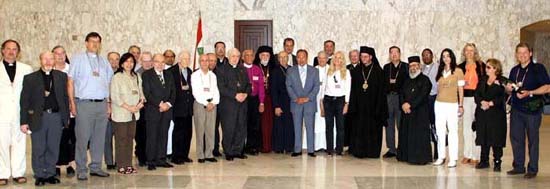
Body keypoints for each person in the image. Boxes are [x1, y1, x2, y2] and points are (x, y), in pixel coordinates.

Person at [68, 32, 113, 180]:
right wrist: (72, 103)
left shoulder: (104, 62)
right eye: (92, 41)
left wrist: (109, 104)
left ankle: (96, 166)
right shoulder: (78, 59)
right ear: (86, 43)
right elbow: (71, 82)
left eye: (98, 42)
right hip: (84, 104)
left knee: (99, 138)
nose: (95, 44)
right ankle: (81, 168)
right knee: (82, 137)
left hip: (101, 104)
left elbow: (108, 84)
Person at [20, 52, 68, 186]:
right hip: (37, 117)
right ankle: (40, 175)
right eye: (45, 59)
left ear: (54, 60)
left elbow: (64, 98)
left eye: (51, 59)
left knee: (53, 147)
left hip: (56, 117)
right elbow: (24, 101)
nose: (48, 61)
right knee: (38, 148)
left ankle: (51, 173)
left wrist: (65, 118)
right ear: (40, 60)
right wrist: (24, 121)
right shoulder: (30, 78)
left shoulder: (61, 76)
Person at [506, 43, 550, 179]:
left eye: (525, 53)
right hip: (517, 109)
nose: (522, 55)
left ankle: (532, 169)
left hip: (533, 110)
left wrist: (530, 92)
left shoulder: (538, 68)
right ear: (516, 55)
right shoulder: (514, 70)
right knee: (516, 138)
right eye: (519, 53)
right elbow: (510, 89)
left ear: (530, 53)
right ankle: (519, 166)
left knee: (533, 140)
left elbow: (547, 87)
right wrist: (508, 88)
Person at [348, 46, 387, 158]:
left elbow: (381, 92)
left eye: (365, 57)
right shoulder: (356, 71)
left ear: (371, 57)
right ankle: (359, 151)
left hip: (373, 108)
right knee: (359, 128)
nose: (363, 58)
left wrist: (379, 107)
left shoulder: (378, 71)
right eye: (362, 56)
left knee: (373, 130)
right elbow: (353, 90)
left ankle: (372, 152)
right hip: (359, 108)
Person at [110, 53, 144, 174]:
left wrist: (140, 104)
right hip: (121, 113)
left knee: (130, 139)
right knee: (121, 139)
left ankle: (129, 164)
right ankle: (121, 165)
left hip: (134, 113)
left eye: (131, 62)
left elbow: (141, 93)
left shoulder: (137, 76)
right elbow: (115, 97)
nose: (129, 64)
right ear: (122, 63)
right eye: (127, 61)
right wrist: (129, 107)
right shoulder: (117, 77)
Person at [396, 56, 432, 165]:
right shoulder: (406, 80)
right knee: (406, 134)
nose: (413, 68)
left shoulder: (425, 80)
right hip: (407, 113)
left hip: (419, 113)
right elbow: (401, 93)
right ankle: (405, 156)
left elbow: (422, 95)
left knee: (418, 136)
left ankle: (419, 158)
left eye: (415, 65)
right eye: (411, 66)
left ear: (420, 66)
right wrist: (403, 104)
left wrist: (410, 105)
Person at [142, 54, 176, 170]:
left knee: (163, 135)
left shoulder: (168, 74)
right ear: (153, 62)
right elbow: (147, 93)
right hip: (153, 110)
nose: (160, 64)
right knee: (152, 136)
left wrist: (168, 104)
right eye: (157, 61)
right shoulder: (147, 75)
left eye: (162, 62)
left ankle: (161, 159)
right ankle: (151, 161)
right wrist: (159, 104)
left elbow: (173, 92)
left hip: (167, 111)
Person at [217, 48, 251, 161]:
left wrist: (246, 94)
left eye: (237, 56)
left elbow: (248, 85)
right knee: (229, 128)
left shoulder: (243, 69)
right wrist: (235, 95)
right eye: (233, 56)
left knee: (241, 127)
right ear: (228, 56)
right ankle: (229, 151)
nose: (235, 58)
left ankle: (238, 150)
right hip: (228, 105)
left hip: (242, 104)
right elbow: (221, 87)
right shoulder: (221, 70)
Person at [432, 49, 464, 168]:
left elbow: (461, 90)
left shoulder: (458, 71)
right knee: (439, 131)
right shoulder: (440, 71)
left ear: (452, 57)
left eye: (448, 56)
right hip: (439, 104)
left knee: (452, 131)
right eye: (443, 56)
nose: (446, 58)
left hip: (452, 104)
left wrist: (461, 105)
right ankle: (441, 156)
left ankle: (453, 158)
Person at [473, 58, 507, 172]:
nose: (486, 69)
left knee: (496, 138)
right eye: (486, 67)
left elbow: (503, 96)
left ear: (495, 69)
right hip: (482, 113)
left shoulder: (502, 81)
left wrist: (491, 103)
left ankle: (497, 162)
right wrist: (481, 101)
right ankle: (484, 160)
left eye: (488, 67)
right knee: (483, 136)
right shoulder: (482, 79)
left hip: (496, 114)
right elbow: (476, 94)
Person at [286, 49, 320, 157]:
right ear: (296, 58)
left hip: (309, 103)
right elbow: (288, 86)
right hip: (296, 103)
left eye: (303, 57)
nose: (301, 59)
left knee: (310, 127)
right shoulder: (290, 70)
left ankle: (311, 150)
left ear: (307, 57)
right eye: (299, 57)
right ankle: (297, 150)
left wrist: (308, 98)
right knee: (297, 127)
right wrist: (296, 98)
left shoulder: (314, 70)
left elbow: (316, 86)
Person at [458, 43, 485, 166]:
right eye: (467, 50)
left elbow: (484, 82)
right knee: (466, 127)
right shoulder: (460, 67)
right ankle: (467, 154)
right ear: (464, 52)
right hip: (465, 98)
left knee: (476, 127)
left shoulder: (481, 66)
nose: (469, 53)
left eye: (471, 50)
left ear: (475, 52)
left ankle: (476, 155)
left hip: (477, 98)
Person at [320, 51, 351, 156]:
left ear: (343, 60)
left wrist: (346, 103)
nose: (337, 60)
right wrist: (322, 103)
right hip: (328, 100)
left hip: (340, 101)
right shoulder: (328, 71)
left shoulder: (346, 72)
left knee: (340, 126)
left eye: (340, 58)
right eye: (336, 57)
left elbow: (348, 89)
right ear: (333, 59)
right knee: (329, 126)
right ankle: (329, 149)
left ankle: (339, 149)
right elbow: (323, 88)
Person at [51, 45, 76, 177]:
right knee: (56, 138)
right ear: (53, 55)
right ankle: (55, 164)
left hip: (71, 110)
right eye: (57, 53)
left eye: (63, 53)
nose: (60, 56)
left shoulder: (71, 69)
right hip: (55, 111)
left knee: (70, 138)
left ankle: (70, 164)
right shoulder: (49, 70)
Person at [191, 54, 220, 163]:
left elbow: (216, 91)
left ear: (209, 62)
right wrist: (205, 103)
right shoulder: (195, 75)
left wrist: (213, 103)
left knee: (210, 130)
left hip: (212, 104)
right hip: (200, 104)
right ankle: (200, 155)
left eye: (207, 60)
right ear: (199, 62)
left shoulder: (213, 75)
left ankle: (209, 153)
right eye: (202, 60)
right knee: (200, 130)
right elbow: (196, 92)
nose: (204, 62)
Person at [168, 51, 194, 164]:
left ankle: (184, 155)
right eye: (184, 59)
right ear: (179, 59)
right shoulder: (171, 71)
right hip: (177, 107)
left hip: (188, 107)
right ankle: (176, 156)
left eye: (188, 59)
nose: (187, 61)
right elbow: (170, 90)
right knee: (178, 133)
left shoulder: (189, 71)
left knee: (188, 132)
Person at [383, 46, 408, 158]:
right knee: (389, 124)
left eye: (396, 52)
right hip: (388, 98)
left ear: (400, 54)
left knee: (401, 124)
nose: (394, 55)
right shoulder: (386, 67)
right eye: (391, 53)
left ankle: (402, 148)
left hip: (400, 98)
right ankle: (391, 149)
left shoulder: (406, 67)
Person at [270, 51, 294, 153]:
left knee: (290, 125)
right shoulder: (275, 71)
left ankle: (289, 147)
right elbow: (273, 90)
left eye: (285, 57)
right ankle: (279, 147)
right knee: (279, 125)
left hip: (291, 101)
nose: (283, 59)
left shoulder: (292, 70)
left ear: (288, 58)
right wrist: (276, 106)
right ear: (278, 59)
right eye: (281, 57)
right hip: (279, 101)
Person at [254, 46, 276, 153]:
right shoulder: (255, 67)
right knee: (259, 123)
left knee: (270, 123)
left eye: (267, 55)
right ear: (259, 56)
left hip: (271, 99)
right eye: (262, 55)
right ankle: (259, 145)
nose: (265, 57)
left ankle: (269, 145)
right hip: (258, 99)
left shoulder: (274, 68)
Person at [243, 49, 264, 155]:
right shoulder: (240, 69)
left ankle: (251, 147)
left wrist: (261, 102)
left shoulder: (257, 69)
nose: (249, 57)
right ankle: (241, 146)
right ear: (243, 57)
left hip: (255, 100)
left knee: (254, 124)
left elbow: (261, 87)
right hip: (243, 100)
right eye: (247, 55)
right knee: (242, 124)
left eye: (251, 55)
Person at [135, 51, 153, 167]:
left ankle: (150, 155)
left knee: (151, 133)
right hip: (141, 107)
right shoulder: (136, 74)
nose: (147, 63)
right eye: (144, 61)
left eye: (149, 61)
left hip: (153, 107)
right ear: (141, 61)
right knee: (141, 134)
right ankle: (142, 157)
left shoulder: (154, 73)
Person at [421, 48, 439, 160]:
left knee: (434, 125)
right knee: (424, 125)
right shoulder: (421, 68)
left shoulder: (437, 67)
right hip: (423, 100)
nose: (426, 57)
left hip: (434, 98)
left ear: (432, 56)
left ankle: (437, 149)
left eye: (428, 55)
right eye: (424, 55)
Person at [105, 51, 120, 170]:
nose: (114, 62)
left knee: (120, 137)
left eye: (116, 59)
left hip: (120, 110)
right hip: (107, 110)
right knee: (107, 137)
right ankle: (109, 162)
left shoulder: (122, 74)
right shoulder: (103, 73)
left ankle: (120, 160)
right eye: (111, 59)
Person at [313, 51, 330, 152]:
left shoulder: (331, 69)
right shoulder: (313, 70)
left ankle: (328, 145)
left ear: (327, 59)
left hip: (328, 99)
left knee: (327, 122)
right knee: (317, 122)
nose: (321, 60)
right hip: (315, 99)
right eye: (319, 58)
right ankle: (317, 145)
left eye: (323, 58)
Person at [207, 52, 223, 157]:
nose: (212, 63)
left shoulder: (221, 72)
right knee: (206, 128)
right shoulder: (199, 72)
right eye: (210, 60)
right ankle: (206, 149)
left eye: (214, 61)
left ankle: (215, 148)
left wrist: (214, 102)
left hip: (218, 104)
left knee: (215, 127)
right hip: (205, 104)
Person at [345, 49, 359, 148]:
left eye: (355, 56)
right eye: (352, 56)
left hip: (358, 100)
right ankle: (348, 145)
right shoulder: (345, 69)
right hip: (347, 99)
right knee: (347, 123)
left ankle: (356, 145)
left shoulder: (363, 68)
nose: (353, 58)